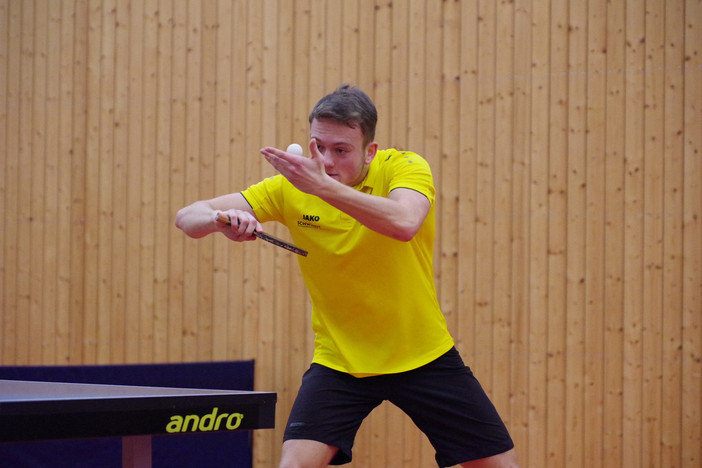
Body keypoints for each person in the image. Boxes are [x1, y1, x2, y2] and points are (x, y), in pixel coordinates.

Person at [175, 84, 519, 468]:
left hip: (422, 355)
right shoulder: (291, 188)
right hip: (340, 361)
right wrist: (221, 220)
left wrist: (323, 188)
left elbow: (404, 222)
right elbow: (187, 216)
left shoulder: (404, 167)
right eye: (319, 147)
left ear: (370, 151)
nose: (326, 160)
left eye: (341, 150)